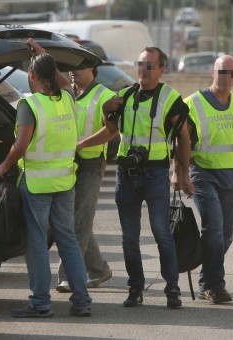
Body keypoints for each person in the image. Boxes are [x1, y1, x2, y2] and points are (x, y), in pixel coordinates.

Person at [78, 47, 193, 309]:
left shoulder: (170, 97)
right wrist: (92, 131)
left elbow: (182, 138)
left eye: (149, 66)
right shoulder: (125, 96)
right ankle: (135, 289)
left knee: (162, 233)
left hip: (154, 174)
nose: (143, 70)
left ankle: (172, 289)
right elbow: (110, 131)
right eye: (141, 65)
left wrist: (182, 173)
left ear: (161, 69)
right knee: (129, 238)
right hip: (126, 175)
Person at [0, 39, 92, 318]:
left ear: (32, 76)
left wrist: (3, 166)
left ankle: (40, 303)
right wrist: (43, 55)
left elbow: (20, 146)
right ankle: (82, 301)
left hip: (37, 185)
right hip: (65, 182)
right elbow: (62, 81)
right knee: (68, 241)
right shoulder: (67, 99)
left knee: (37, 244)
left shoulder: (30, 105)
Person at [181, 55, 233, 303]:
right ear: (213, 71)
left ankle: (206, 280)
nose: (227, 77)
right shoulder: (193, 103)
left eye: (232, 73)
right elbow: (180, 141)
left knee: (225, 235)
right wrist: (180, 173)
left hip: (231, 174)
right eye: (222, 72)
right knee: (214, 231)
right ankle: (214, 285)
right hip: (202, 173)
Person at [55, 65, 116, 293]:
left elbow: (112, 131)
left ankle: (68, 276)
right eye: (70, 68)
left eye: (79, 67)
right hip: (69, 163)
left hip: (91, 163)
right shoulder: (69, 93)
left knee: (78, 221)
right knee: (79, 218)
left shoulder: (106, 95)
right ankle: (99, 269)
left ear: (92, 68)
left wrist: (82, 144)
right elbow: (56, 76)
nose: (73, 71)